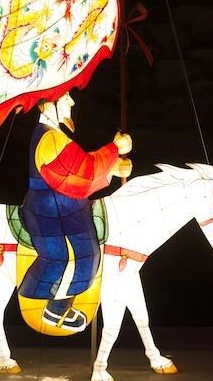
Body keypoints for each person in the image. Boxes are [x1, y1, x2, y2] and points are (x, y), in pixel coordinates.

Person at [19, 92, 132, 332]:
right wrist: (114, 149)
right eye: (65, 98)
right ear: (48, 106)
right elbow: (82, 174)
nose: (71, 102)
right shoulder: (49, 139)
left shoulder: (56, 136)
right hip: (51, 208)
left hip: (68, 205)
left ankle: (61, 306)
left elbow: (80, 171)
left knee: (88, 253)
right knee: (77, 255)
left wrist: (112, 170)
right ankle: (53, 307)